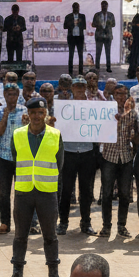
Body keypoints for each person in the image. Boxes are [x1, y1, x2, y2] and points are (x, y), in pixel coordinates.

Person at [7, 97, 64, 277]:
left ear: (46, 113)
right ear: (28, 114)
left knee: (50, 235)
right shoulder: (17, 134)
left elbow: (60, 164)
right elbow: (15, 161)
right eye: (33, 113)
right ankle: (17, 273)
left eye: (41, 113)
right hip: (23, 191)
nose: (37, 116)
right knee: (20, 235)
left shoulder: (55, 134)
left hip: (47, 192)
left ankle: (53, 274)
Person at [98, 83, 139, 239]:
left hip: (126, 156)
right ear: (113, 95)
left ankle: (121, 226)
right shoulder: (105, 112)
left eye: (123, 94)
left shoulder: (133, 113)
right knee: (107, 193)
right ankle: (106, 226)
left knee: (124, 193)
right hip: (109, 155)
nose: (121, 97)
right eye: (118, 94)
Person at [58, 77, 97, 236]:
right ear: (72, 88)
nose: (80, 89)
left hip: (88, 151)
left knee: (86, 191)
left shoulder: (94, 106)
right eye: (77, 87)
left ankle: (85, 223)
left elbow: (101, 125)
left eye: (83, 87)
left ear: (86, 88)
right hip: (69, 151)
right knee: (66, 190)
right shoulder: (64, 106)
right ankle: (63, 223)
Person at [0, 81, 27, 236]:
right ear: (4, 95)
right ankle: (5, 222)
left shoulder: (25, 110)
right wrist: (5, 115)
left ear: (18, 95)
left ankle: (21, 223)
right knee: (3, 192)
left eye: (14, 94)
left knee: (21, 192)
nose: (11, 97)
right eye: (8, 94)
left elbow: (31, 131)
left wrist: (28, 124)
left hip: (20, 156)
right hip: (3, 156)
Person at [91, 0, 116, 73]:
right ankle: (97, 67)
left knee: (108, 53)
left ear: (107, 6)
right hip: (99, 36)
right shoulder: (97, 15)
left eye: (105, 5)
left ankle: (108, 67)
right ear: (101, 6)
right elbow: (93, 24)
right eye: (103, 5)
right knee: (98, 52)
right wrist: (98, 24)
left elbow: (114, 24)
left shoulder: (111, 15)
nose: (104, 6)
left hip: (108, 36)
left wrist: (109, 23)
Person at [64, 1, 87, 75]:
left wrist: (79, 24)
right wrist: (73, 24)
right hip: (71, 37)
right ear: (73, 8)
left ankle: (80, 71)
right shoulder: (68, 16)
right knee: (71, 55)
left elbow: (84, 26)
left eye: (78, 7)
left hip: (80, 37)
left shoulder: (82, 16)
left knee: (80, 55)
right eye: (75, 7)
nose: (77, 9)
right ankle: (70, 71)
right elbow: (65, 26)